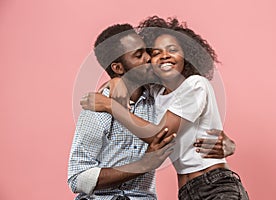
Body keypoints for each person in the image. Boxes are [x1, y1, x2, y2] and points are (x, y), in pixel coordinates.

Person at [82, 16, 248, 200]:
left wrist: (111, 106)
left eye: (173, 50)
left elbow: (161, 134)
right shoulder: (155, 93)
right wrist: (115, 81)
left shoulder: (195, 85)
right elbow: (130, 80)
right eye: (156, 53)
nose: (165, 56)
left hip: (215, 186)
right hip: (186, 193)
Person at [68, 24, 177, 200]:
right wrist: (142, 166)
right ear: (118, 68)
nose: (149, 58)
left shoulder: (159, 98)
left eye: (146, 51)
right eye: (138, 55)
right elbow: (78, 178)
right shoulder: (97, 108)